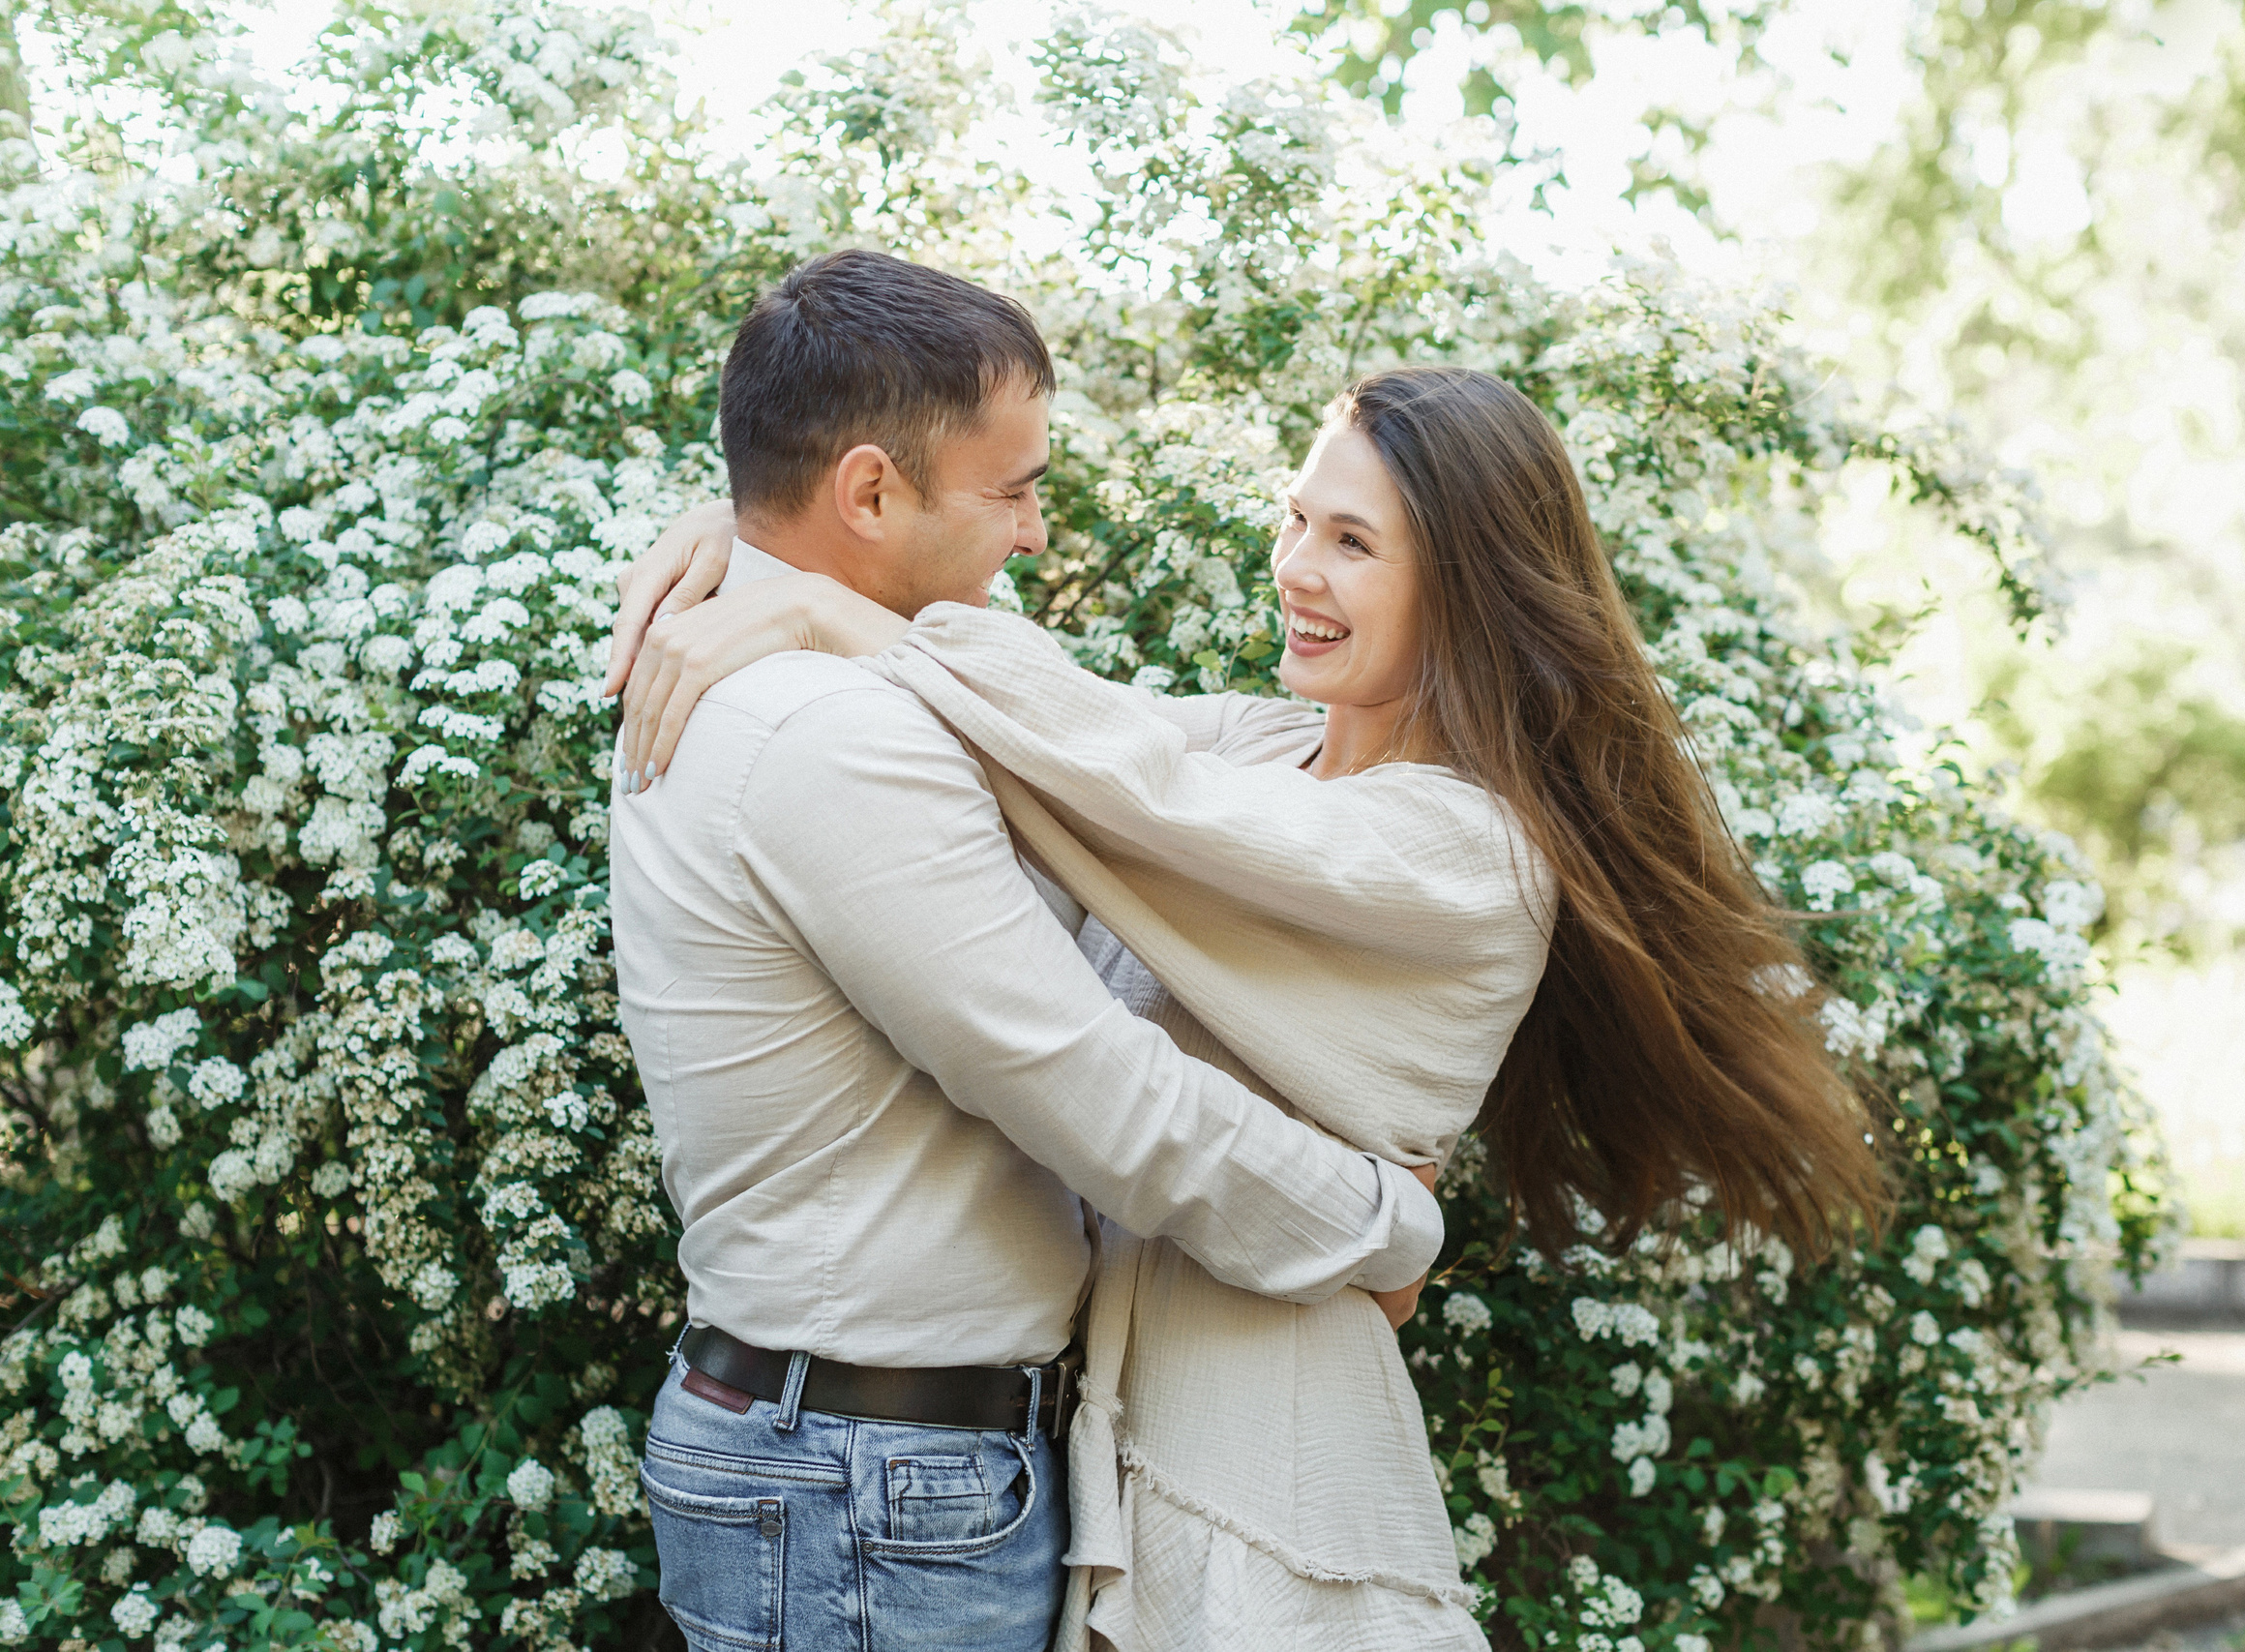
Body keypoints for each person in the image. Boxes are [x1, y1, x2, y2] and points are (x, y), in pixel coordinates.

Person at [613, 356, 1890, 1649]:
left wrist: (824, 611)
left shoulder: (1465, 856)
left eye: (1351, 542)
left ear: (1467, 586)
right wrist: (755, 542)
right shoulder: (1261, 746)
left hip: (1267, 1470)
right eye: (1296, 519)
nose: (1297, 568)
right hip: (1107, 1433)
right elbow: (1075, 740)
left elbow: (1123, 779)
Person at [605, 250, 1453, 1652]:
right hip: (870, 1493)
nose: (1037, 535)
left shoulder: (779, 660)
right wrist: (1384, 1224)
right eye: (1013, 492)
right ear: (868, 492)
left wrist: (786, 570)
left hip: (859, 1470)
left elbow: (1118, 753)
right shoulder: (828, 734)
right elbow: (1092, 1091)